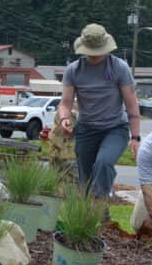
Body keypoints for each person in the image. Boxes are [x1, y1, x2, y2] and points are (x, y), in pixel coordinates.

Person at [56, 23, 142, 204]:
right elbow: (65, 103)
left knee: (104, 163)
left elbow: (132, 105)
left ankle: (99, 205)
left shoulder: (119, 68)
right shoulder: (73, 70)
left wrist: (135, 137)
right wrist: (65, 118)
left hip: (115, 129)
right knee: (85, 181)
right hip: (86, 129)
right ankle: (95, 217)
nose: (95, 56)